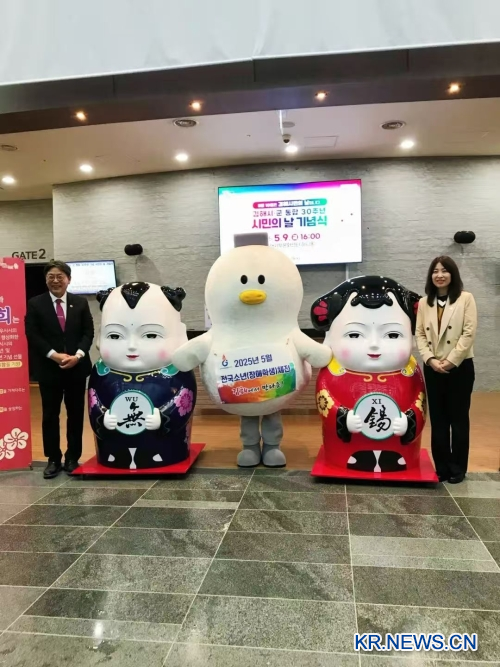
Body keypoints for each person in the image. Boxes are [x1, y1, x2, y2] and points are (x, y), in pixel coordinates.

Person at [25, 260, 94, 478]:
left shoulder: (80, 303)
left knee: (75, 415)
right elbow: (32, 334)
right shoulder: (35, 303)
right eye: (51, 277)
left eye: (60, 276)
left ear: (68, 279)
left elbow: (88, 332)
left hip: (76, 368)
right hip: (49, 369)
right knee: (50, 415)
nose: (55, 281)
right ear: (46, 280)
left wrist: (78, 356)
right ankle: (53, 459)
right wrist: (53, 355)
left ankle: (72, 457)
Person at [416, 256, 477, 484]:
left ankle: (458, 468)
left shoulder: (465, 298)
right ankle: (441, 467)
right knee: (439, 420)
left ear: (453, 274)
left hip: (459, 367)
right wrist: (430, 359)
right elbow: (419, 334)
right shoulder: (425, 302)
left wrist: (451, 361)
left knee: (458, 419)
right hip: (433, 367)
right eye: (435, 271)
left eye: (444, 270)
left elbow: (468, 333)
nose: (439, 275)